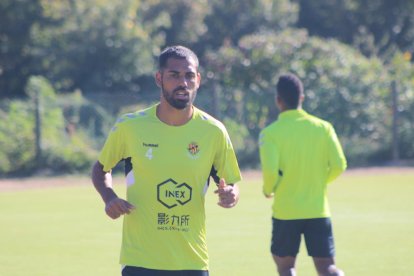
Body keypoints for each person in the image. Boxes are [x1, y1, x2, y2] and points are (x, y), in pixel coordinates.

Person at [91, 45, 241, 276]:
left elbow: (231, 182)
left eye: (189, 75)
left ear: (198, 79)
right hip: (140, 259)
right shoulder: (130, 126)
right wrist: (109, 197)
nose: (183, 82)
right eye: (174, 75)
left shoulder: (213, 131)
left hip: (191, 260)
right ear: (159, 78)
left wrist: (231, 194)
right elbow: (101, 168)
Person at [258, 73, 347, 276]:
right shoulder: (324, 128)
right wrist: (319, 182)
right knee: (327, 267)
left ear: (278, 100)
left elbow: (271, 171)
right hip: (318, 210)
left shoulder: (270, 133)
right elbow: (339, 165)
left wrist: (268, 189)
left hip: (286, 212)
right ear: (302, 98)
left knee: (286, 267)